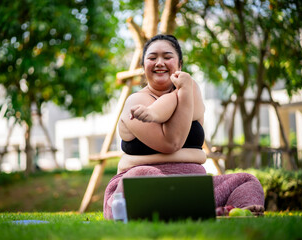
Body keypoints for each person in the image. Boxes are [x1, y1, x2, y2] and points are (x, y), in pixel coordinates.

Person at [103, 34, 265, 219]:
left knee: (245, 180)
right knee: (141, 174)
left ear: (179, 66)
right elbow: (171, 143)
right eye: (152, 57)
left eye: (167, 56)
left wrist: (184, 91)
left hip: (194, 187)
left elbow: (182, 110)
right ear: (143, 67)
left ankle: (239, 210)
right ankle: (195, 210)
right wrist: (181, 93)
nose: (159, 62)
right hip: (145, 183)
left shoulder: (191, 90)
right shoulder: (136, 101)